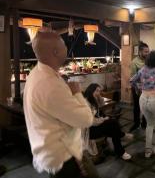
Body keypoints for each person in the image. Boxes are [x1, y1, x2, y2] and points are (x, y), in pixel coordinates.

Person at [23, 32, 96, 178]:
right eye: (63, 45)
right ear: (56, 51)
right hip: (66, 158)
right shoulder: (50, 85)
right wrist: (76, 93)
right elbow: (87, 120)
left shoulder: (35, 74)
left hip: (50, 153)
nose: (66, 48)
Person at [83, 83, 132, 160]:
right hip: (89, 130)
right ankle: (122, 137)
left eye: (99, 91)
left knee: (114, 129)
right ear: (90, 90)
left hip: (96, 126)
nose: (98, 93)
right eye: (96, 91)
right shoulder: (86, 103)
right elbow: (92, 122)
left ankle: (121, 151)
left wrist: (99, 96)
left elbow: (102, 104)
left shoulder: (93, 100)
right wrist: (103, 119)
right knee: (113, 124)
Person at [129, 41, 149, 132]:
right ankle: (136, 123)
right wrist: (138, 90)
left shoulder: (148, 59)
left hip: (147, 88)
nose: (147, 53)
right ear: (140, 52)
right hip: (137, 88)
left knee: (146, 106)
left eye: (148, 51)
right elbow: (133, 78)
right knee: (137, 106)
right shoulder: (134, 62)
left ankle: (144, 123)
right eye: (146, 52)